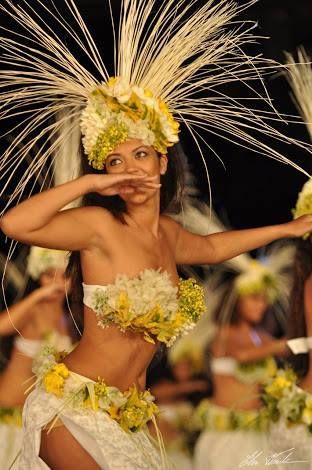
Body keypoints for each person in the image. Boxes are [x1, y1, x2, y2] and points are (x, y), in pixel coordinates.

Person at [0, 1, 312, 469]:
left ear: (162, 163)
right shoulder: (99, 227)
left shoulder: (169, 235)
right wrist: (89, 184)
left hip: (126, 417)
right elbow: (15, 224)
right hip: (71, 411)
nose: (128, 170)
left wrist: (288, 228)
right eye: (115, 162)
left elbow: (213, 247)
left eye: (141, 155)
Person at [0, 247, 72, 469]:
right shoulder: (33, 310)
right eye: (50, 275)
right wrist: (39, 295)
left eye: (65, 276)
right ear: (38, 275)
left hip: (36, 421)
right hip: (9, 411)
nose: (58, 283)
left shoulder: (70, 320)